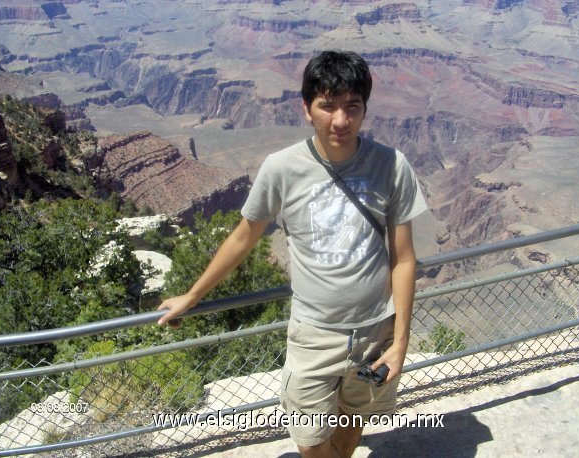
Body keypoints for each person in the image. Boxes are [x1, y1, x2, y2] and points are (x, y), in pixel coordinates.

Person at [157, 50, 428, 457]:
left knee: (355, 416)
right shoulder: (281, 168)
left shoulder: (392, 166)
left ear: (365, 109)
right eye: (327, 106)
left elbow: (404, 258)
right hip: (313, 335)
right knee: (312, 443)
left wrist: (400, 343)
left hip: (375, 331)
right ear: (307, 108)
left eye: (352, 106)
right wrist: (193, 296)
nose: (340, 120)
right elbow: (243, 238)